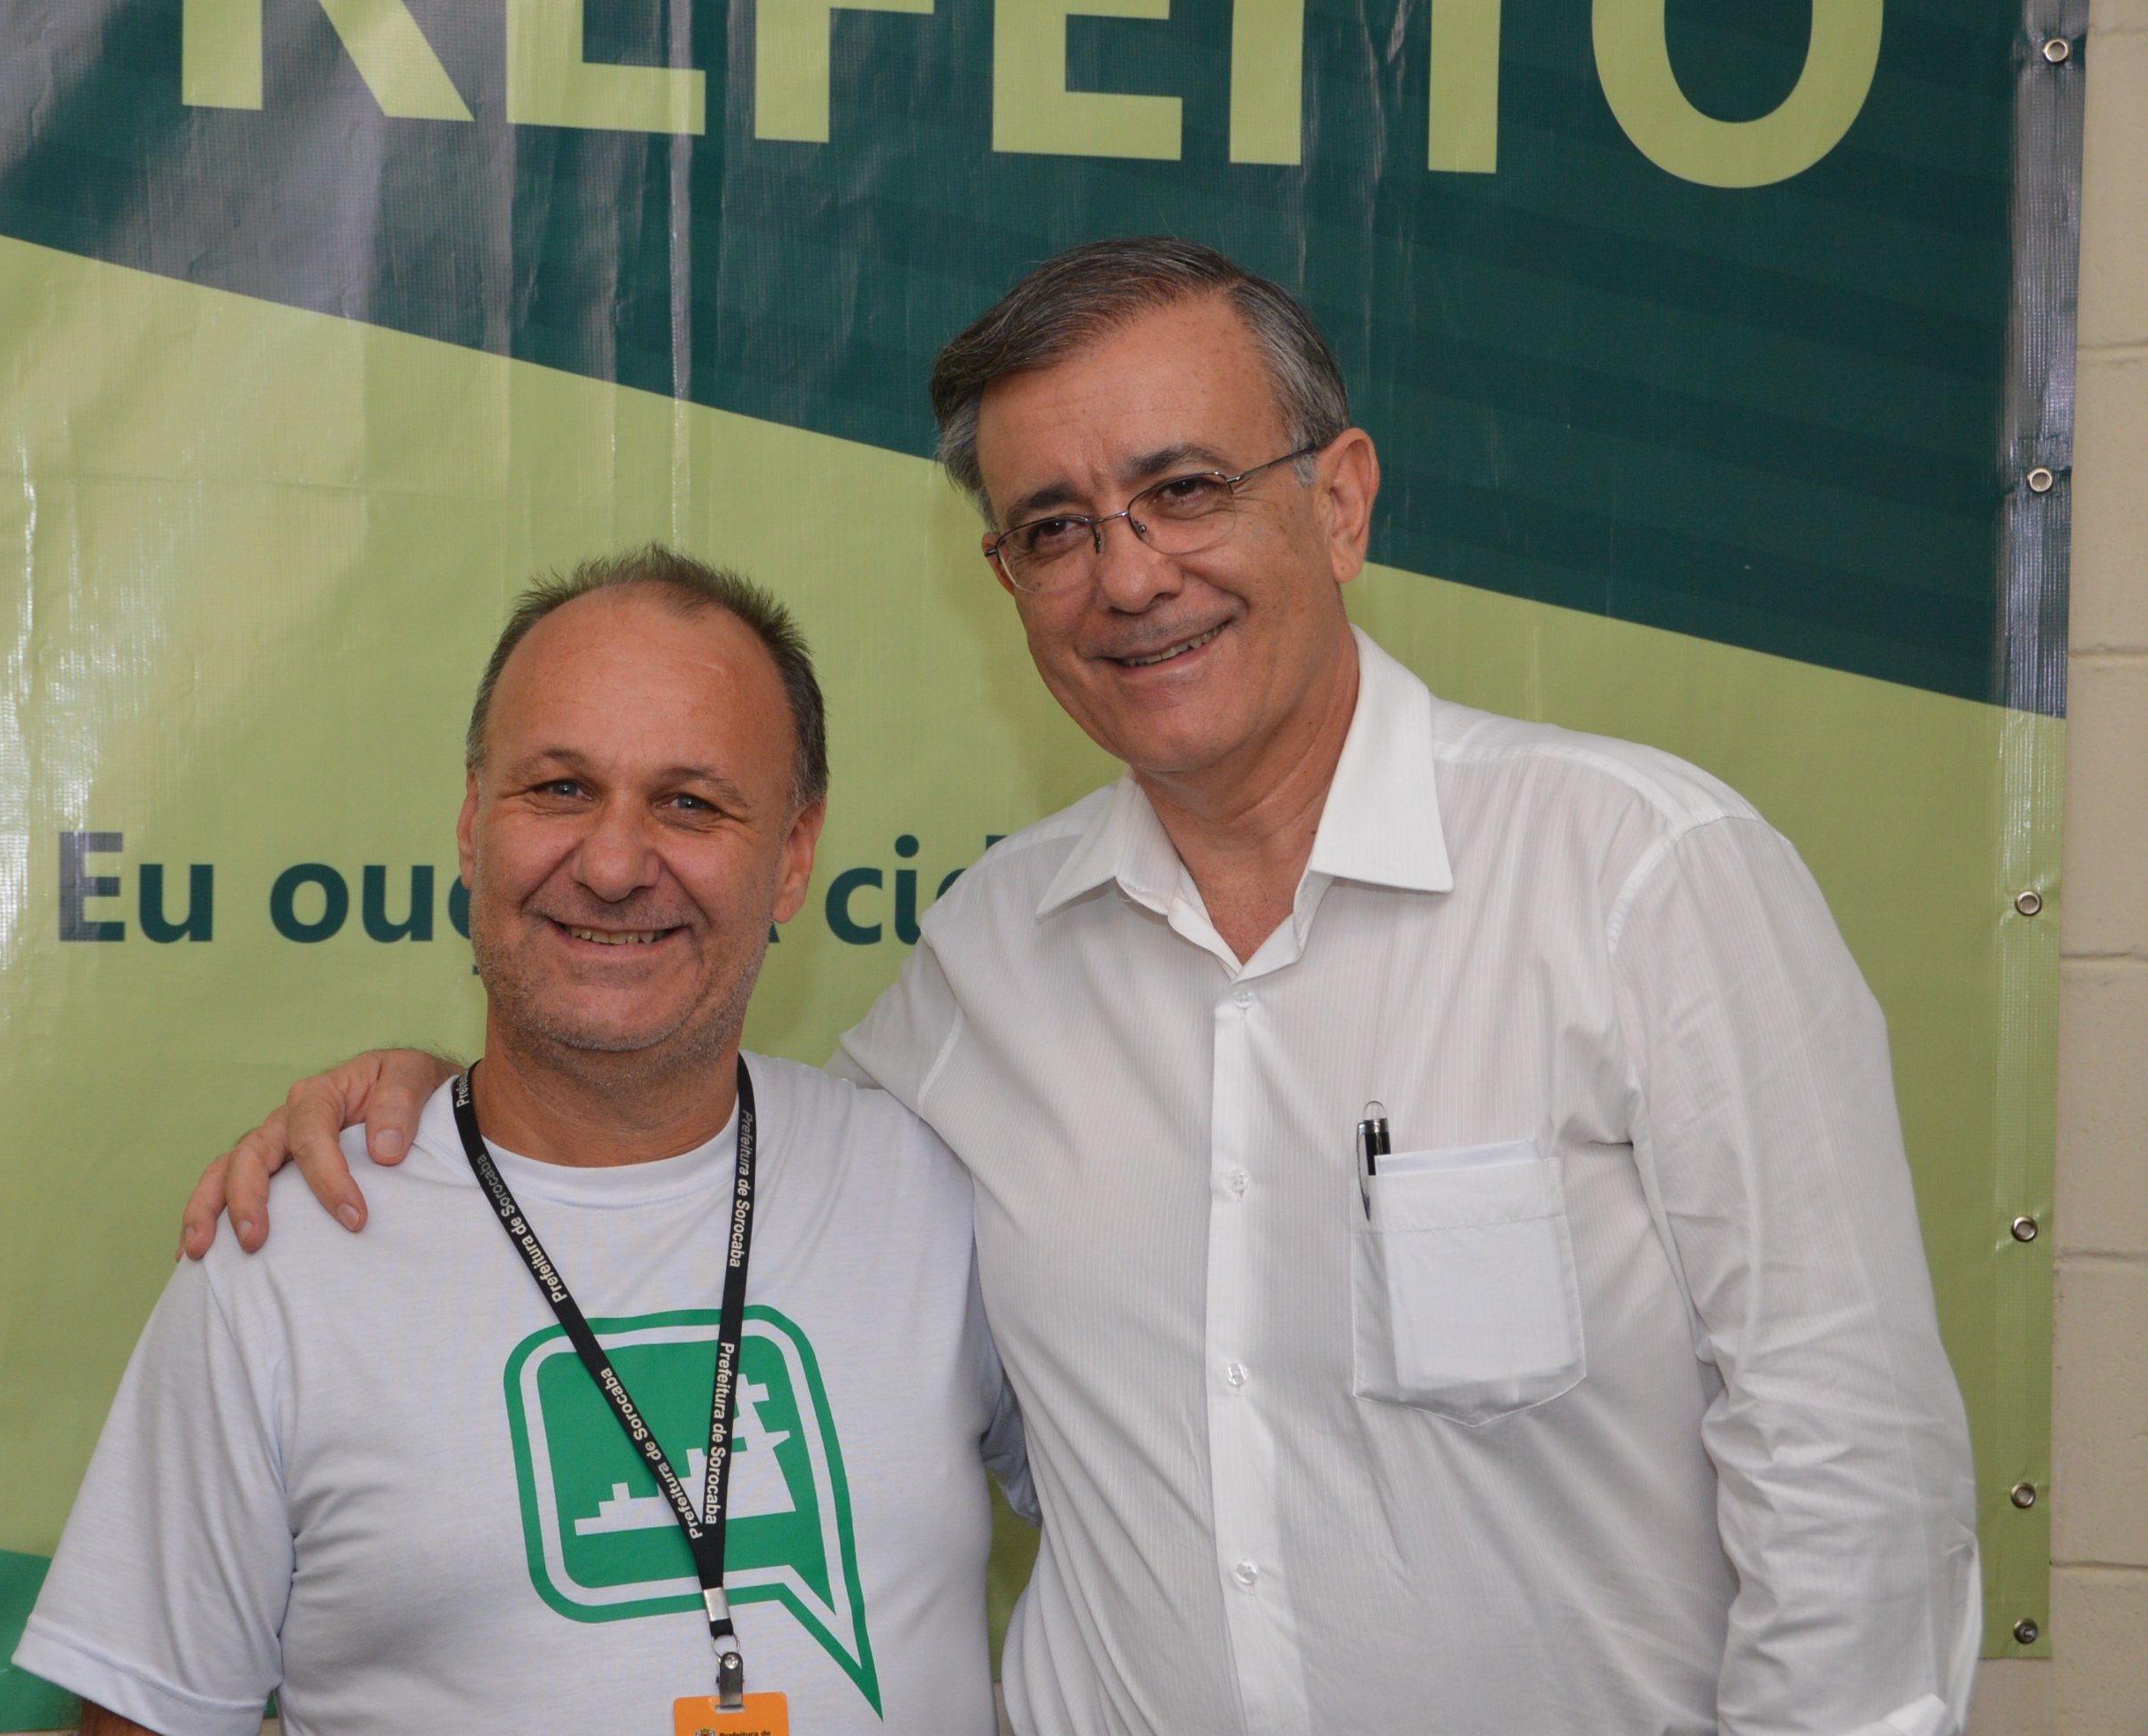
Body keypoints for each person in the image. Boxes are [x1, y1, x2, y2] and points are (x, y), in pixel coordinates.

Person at [186, 241, 1983, 1734]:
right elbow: (700, 1135)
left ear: (1340, 501)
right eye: (1052, 526)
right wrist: (446, 1096)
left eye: (1183, 490)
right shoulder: (989, 962)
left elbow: (1852, 1481)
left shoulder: (1642, 878)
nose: (1127, 574)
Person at [19, 550, 1031, 1735]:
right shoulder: (284, 1256)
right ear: (470, 824)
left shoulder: (940, 1196)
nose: (612, 864)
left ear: (794, 857)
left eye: (690, 803)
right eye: (559, 788)